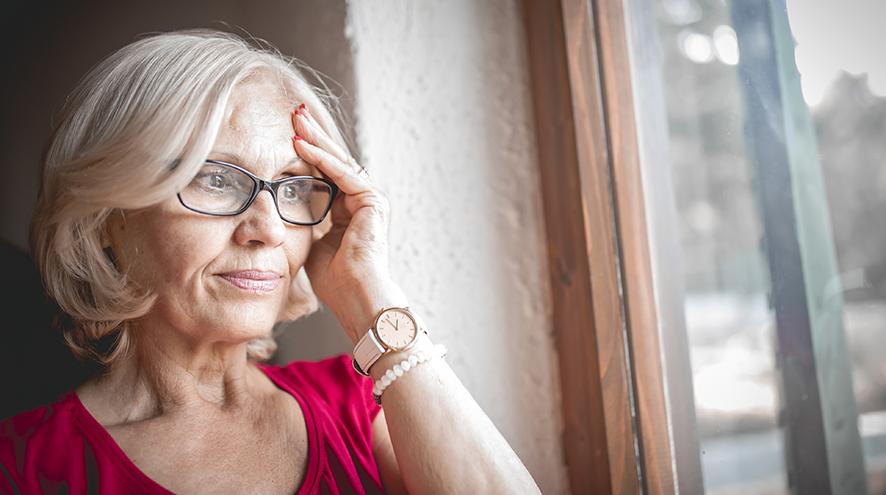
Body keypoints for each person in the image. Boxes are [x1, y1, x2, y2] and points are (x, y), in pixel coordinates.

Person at [0, 29, 540, 494]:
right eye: (215, 178)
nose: (269, 229)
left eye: (290, 187)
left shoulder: (359, 405)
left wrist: (368, 291)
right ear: (108, 216)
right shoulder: (25, 468)